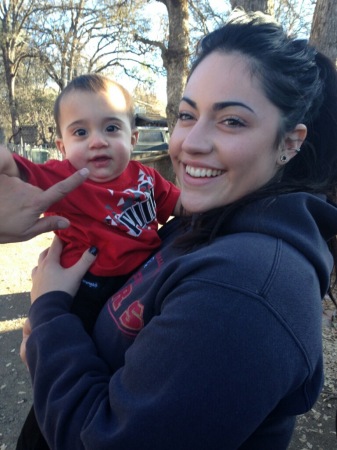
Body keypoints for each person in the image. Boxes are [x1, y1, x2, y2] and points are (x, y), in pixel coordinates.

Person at [19, 10, 337, 449]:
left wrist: (49, 317)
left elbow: (103, 439)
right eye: (187, 116)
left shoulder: (249, 292)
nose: (191, 142)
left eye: (231, 121)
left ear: (289, 142)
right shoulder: (204, 225)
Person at [0, 74, 180, 449]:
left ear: (132, 138)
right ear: (62, 144)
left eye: (111, 127)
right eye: (80, 133)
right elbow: (21, 171)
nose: (97, 141)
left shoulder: (147, 178)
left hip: (140, 284)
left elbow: (180, 206)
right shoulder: (65, 177)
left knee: (121, 375)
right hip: (86, 289)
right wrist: (9, 165)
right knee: (65, 378)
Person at [0, 169, 88, 243]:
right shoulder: (59, 171)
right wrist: (14, 164)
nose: (96, 146)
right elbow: (31, 171)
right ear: (63, 150)